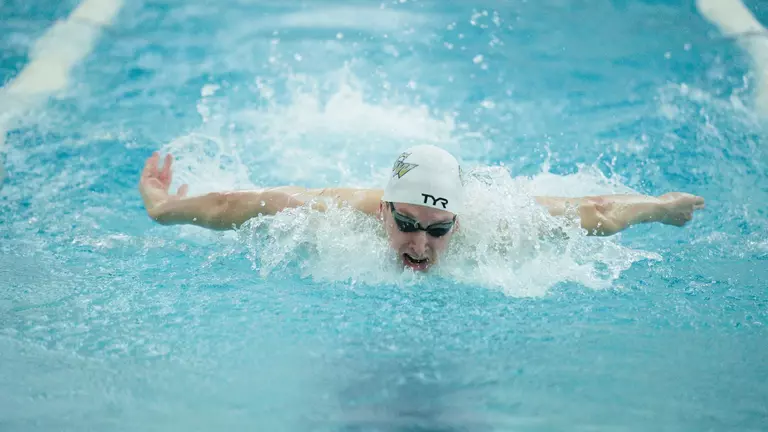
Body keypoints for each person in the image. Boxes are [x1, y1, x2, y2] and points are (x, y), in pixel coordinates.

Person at [139, 145, 705, 272]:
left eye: (438, 231)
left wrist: (659, 209)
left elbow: (599, 213)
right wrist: (164, 209)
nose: (420, 245)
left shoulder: (494, 219)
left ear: (458, 219)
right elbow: (237, 203)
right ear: (384, 209)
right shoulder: (338, 213)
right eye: (406, 224)